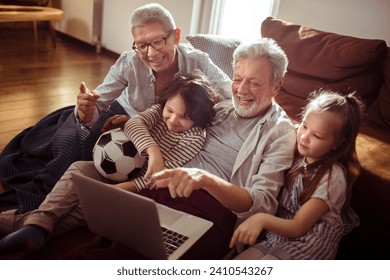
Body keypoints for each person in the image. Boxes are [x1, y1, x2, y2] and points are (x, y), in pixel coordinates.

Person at [0, 38, 296, 259]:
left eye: (254, 83)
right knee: (82, 174)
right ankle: (34, 227)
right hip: (155, 178)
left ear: (276, 87)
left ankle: (24, 225)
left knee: (90, 216)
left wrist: (204, 179)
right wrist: (134, 122)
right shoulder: (221, 107)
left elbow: (261, 202)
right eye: (239, 79)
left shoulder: (280, 133)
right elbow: (180, 119)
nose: (242, 90)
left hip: (198, 205)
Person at [0, 3, 231, 213]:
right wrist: (86, 112)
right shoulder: (128, 62)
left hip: (160, 128)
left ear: (176, 36)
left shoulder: (199, 61)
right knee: (72, 153)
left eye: (158, 41)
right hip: (123, 113)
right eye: (142, 45)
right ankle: (37, 210)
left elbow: (231, 93)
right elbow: (98, 103)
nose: (151, 53)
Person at [0, 72, 218, 254]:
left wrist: (114, 190)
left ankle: (22, 226)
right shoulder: (158, 112)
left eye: (184, 117)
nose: (172, 120)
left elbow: (154, 177)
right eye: (170, 111)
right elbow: (134, 125)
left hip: (137, 187)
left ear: (198, 118)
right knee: (78, 169)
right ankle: (37, 225)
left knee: (84, 209)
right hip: (114, 170)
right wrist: (153, 151)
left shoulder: (195, 138)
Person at [229, 91, 364, 260]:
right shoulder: (299, 153)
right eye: (305, 125)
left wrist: (261, 219)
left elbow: (298, 227)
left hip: (309, 244)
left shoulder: (332, 177)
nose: (304, 137)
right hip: (277, 237)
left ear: (337, 144)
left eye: (317, 135)